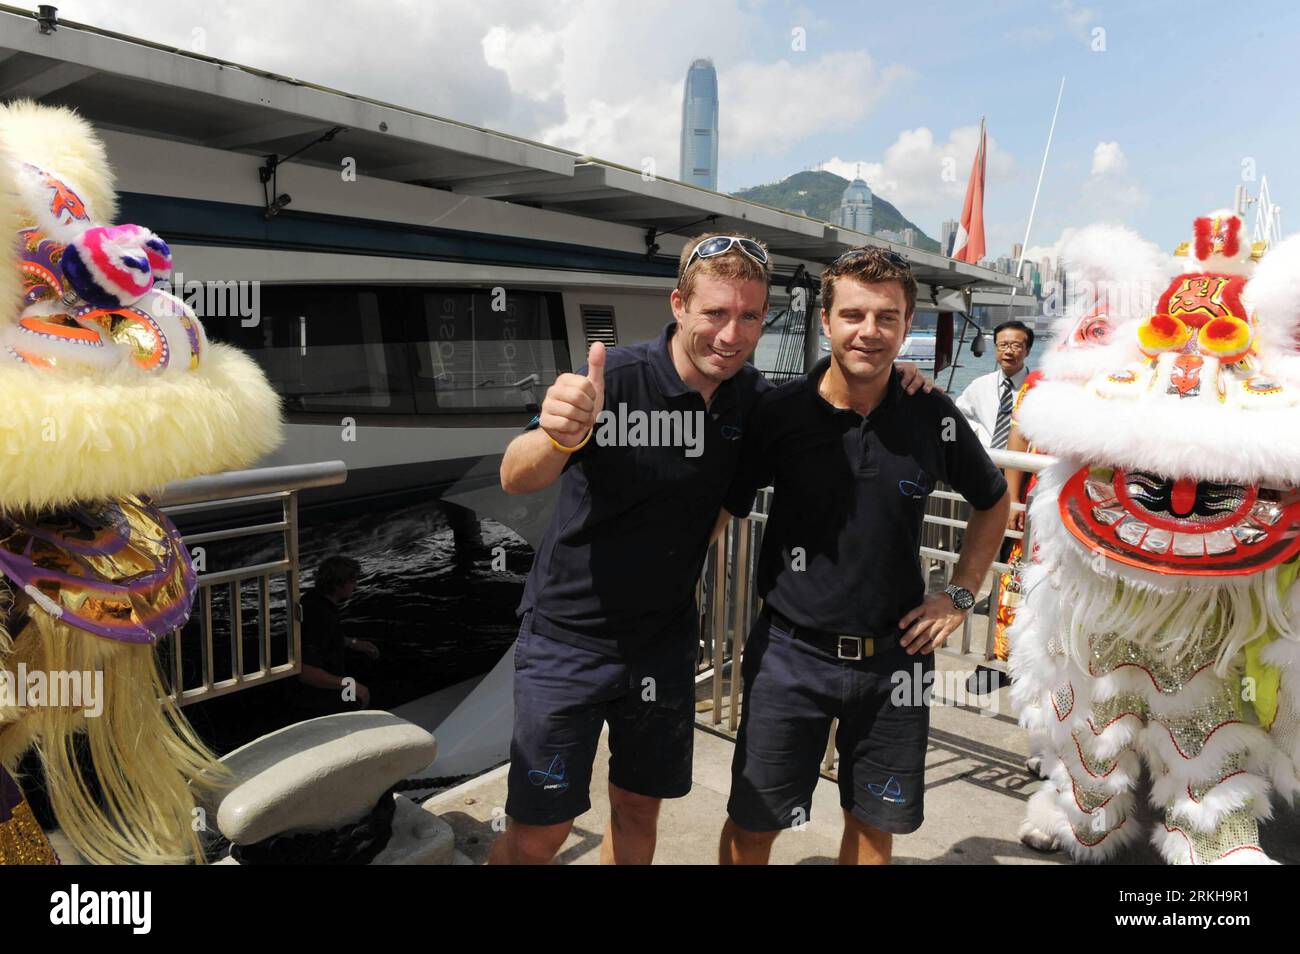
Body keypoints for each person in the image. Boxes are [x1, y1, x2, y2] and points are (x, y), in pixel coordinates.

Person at [490, 232, 932, 866]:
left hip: (665, 644)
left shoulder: (753, 401)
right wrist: (558, 435)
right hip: (569, 638)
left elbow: (835, 386)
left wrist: (897, 377)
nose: (732, 334)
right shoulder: (613, 378)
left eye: (750, 316)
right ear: (678, 305)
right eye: (715, 313)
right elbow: (515, 475)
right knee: (540, 833)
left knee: (638, 809)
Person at [718, 246, 1010, 865]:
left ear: (907, 326)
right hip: (789, 656)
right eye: (853, 315)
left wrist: (961, 594)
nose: (869, 332)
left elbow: (993, 499)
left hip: (895, 660)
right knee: (754, 821)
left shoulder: (932, 412)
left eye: (887, 317)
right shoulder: (781, 412)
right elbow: (724, 504)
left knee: (875, 824)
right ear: (826, 321)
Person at [296, 555, 379, 714]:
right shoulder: (322, 616)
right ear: (337, 584)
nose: (356, 586)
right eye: (352, 581)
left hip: (329, 680)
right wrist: (351, 685)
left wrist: (354, 643)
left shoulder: (312, 599)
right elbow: (305, 673)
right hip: (323, 693)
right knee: (360, 698)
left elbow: (324, 638)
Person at [954, 319, 1034, 449]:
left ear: (1028, 351)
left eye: (1016, 346)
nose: (1008, 351)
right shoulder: (979, 386)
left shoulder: (1037, 390)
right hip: (984, 461)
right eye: (1002, 345)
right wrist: (975, 433)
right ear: (996, 347)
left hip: (1022, 464)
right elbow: (957, 414)